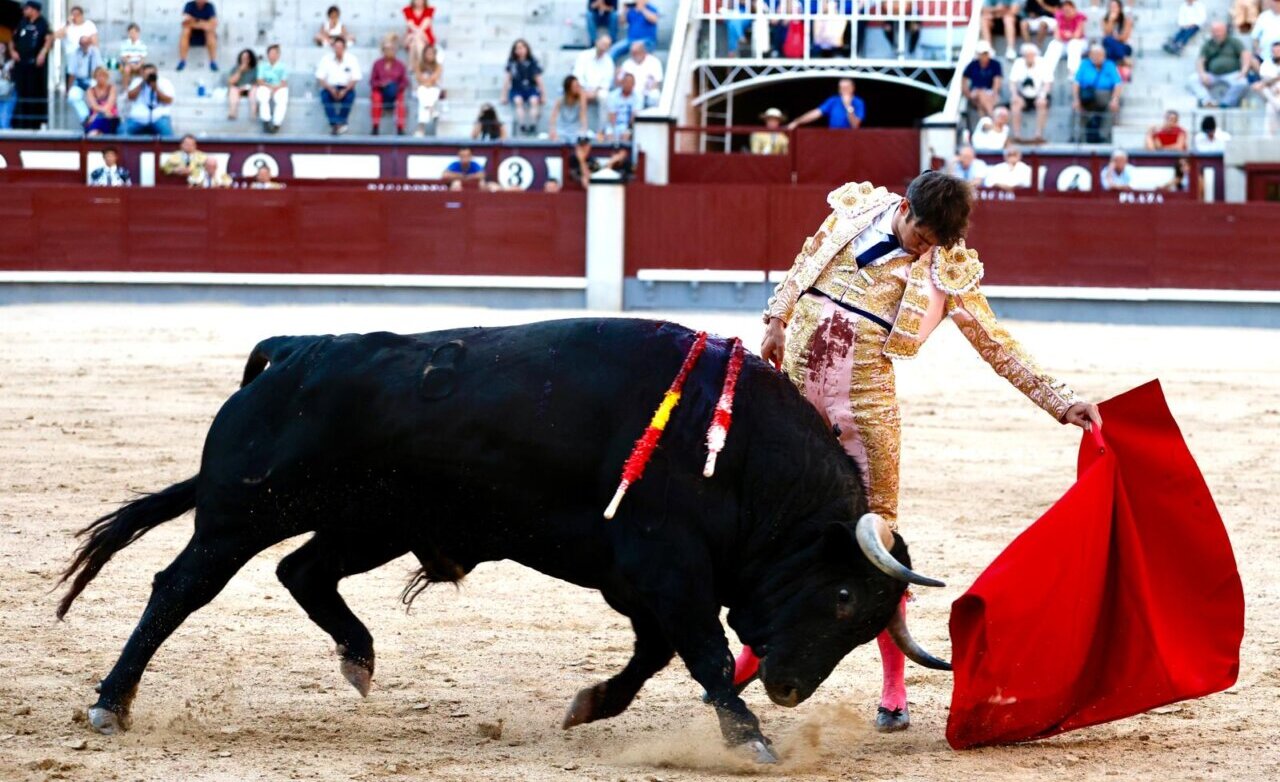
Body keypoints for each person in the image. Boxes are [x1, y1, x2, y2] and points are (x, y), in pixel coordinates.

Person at [751, 171, 1100, 733]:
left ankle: (893, 687)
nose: (924, 249)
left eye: (935, 242)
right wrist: (776, 320)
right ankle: (750, 657)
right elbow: (806, 260)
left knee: (878, 545)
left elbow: (995, 342)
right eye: (920, 236)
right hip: (796, 391)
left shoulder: (946, 265)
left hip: (865, 408)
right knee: (777, 528)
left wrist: (1060, 401)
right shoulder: (857, 211)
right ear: (905, 209)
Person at [1188, 21, 1250, 107]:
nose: (1217, 34)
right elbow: (1200, 61)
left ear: (1225, 31)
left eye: (1219, 31)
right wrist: (1202, 74)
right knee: (1193, 79)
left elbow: (1245, 55)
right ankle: (1207, 101)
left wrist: (1244, 71)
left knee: (1242, 83)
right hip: (1213, 75)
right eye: (1214, 31)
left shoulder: (1234, 42)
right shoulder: (1208, 44)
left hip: (1232, 74)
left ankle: (1226, 103)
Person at [12, 1, 52, 130]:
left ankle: (36, 123)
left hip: (35, 67)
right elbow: (12, 39)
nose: (24, 11)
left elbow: (49, 39)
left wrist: (43, 53)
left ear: (34, 10)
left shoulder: (43, 23)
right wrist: (13, 51)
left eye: (27, 8)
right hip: (21, 65)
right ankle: (20, 123)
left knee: (35, 92)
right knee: (20, 93)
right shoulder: (22, 22)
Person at [1073, 43, 1123, 142]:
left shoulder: (1110, 65)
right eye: (1094, 54)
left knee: (1112, 106)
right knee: (1077, 107)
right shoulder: (1084, 64)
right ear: (1090, 55)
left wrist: (1115, 99)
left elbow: (1118, 84)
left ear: (1104, 55)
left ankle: (1103, 136)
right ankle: (1078, 137)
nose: (1096, 57)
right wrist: (1076, 99)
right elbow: (1076, 83)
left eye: (1099, 54)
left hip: (1105, 96)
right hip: (1086, 97)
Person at [315, 37, 361, 135]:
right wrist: (331, 89)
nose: (338, 50)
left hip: (346, 87)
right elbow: (320, 77)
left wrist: (345, 90)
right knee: (324, 96)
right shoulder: (326, 59)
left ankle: (340, 122)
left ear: (344, 48)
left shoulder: (352, 59)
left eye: (340, 47)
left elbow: (355, 78)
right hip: (330, 87)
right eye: (336, 47)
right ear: (333, 47)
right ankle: (335, 123)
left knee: (350, 96)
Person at [1010, 44, 1052, 142]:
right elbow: (1012, 82)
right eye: (1027, 55)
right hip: (1023, 95)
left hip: (1039, 93)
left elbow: (1048, 83)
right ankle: (1017, 135)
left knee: (1042, 103)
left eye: (1031, 55)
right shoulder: (1018, 63)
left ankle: (1038, 134)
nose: (1029, 57)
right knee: (1015, 103)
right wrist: (1014, 95)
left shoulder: (1042, 63)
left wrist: (1042, 96)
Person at [503, 39, 545, 136]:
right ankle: (522, 125)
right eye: (517, 48)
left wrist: (543, 95)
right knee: (518, 101)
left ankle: (533, 124)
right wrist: (504, 95)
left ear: (527, 49)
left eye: (522, 48)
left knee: (534, 101)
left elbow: (539, 80)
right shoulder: (512, 63)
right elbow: (507, 80)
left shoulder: (533, 62)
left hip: (530, 88)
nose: (520, 50)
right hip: (517, 89)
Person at [788, 78, 865, 130]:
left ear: (852, 88)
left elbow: (855, 125)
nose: (844, 90)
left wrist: (848, 107)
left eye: (846, 88)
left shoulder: (858, 102)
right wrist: (797, 121)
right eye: (841, 88)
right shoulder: (833, 101)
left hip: (851, 138)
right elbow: (816, 113)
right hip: (834, 136)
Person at [574, 33, 616, 130]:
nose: (603, 47)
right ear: (597, 42)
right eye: (602, 43)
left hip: (598, 91)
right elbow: (577, 75)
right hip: (582, 88)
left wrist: (594, 92)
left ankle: (601, 130)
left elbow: (606, 82)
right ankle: (580, 129)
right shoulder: (583, 55)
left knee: (604, 96)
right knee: (579, 95)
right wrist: (583, 90)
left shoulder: (609, 61)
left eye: (606, 45)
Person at [370, 37, 409, 136]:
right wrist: (381, 84)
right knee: (376, 98)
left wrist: (396, 87)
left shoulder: (400, 65)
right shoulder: (377, 64)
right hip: (381, 90)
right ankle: (375, 126)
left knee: (400, 100)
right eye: (387, 49)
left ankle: (400, 128)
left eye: (392, 49)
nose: (389, 52)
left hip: (395, 90)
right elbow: (372, 81)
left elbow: (405, 81)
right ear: (383, 51)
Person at [125, 63, 175, 136]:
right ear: (142, 74)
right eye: (147, 74)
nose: (149, 76)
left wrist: (156, 88)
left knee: (167, 134)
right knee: (123, 131)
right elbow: (130, 97)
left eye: (152, 74)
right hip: (137, 118)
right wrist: (142, 83)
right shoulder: (137, 81)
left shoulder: (165, 82)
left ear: (156, 73)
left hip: (159, 117)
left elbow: (169, 101)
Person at [65, 35, 103, 126]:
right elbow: (72, 73)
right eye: (82, 44)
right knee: (72, 96)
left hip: (92, 79)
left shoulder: (95, 52)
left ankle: (96, 117)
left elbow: (99, 68)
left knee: (97, 95)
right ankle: (85, 116)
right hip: (79, 81)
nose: (84, 46)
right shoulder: (75, 53)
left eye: (86, 43)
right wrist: (68, 89)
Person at [1044, 0, 1087, 77]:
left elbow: (1077, 35)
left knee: (1073, 44)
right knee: (1054, 44)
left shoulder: (1080, 17)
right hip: (1063, 43)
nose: (1067, 12)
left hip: (1079, 43)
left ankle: (1073, 73)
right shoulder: (1059, 16)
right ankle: (1047, 75)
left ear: (1074, 9)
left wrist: (1067, 35)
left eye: (1068, 10)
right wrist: (1065, 35)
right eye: (1065, 10)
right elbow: (1056, 36)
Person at [962, 41, 1003, 119]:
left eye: (985, 53)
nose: (984, 56)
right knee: (980, 93)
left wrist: (994, 93)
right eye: (982, 54)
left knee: (980, 103)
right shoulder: (972, 65)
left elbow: (997, 81)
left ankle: (984, 122)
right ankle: (993, 117)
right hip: (975, 92)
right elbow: (964, 80)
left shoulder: (995, 64)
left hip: (989, 93)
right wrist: (967, 94)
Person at [618, 40, 663, 108]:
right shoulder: (627, 63)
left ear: (643, 51)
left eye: (635, 53)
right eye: (632, 53)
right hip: (630, 92)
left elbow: (656, 82)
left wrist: (644, 91)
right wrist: (617, 74)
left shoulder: (654, 62)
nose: (633, 55)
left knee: (655, 95)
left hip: (646, 93)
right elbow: (620, 81)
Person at [254, 44, 289, 133]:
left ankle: (277, 123)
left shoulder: (283, 66)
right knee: (262, 96)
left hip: (279, 87)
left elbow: (284, 82)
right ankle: (266, 120)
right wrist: (270, 87)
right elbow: (259, 80)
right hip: (266, 86)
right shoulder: (262, 66)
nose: (272, 55)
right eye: (270, 53)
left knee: (282, 100)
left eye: (274, 53)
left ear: (278, 55)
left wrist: (275, 88)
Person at [178, 0, 219, 72]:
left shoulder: (210, 6)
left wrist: (195, 21)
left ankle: (213, 62)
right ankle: (182, 61)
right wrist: (203, 23)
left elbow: (213, 24)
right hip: (191, 36)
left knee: (210, 33)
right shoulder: (189, 5)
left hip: (205, 36)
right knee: (185, 31)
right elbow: (185, 22)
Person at [604, 71, 644, 140]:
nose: (628, 85)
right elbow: (612, 116)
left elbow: (634, 117)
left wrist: (627, 129)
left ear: (634, 84)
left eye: (630, 83)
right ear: (622, 83)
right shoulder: (613, 96)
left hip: (629, 126)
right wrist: (615, 131)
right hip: (614, 125)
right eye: (626, 82)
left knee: (626, 134)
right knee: (609, 134)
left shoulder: (638, 97)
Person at [415, 44, 443, 137]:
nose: (429, 55)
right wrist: (426, 83)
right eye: (428, 53)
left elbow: (435, 78)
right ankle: (431, 109)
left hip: (434, 87)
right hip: (422, 87)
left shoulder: (438, 66)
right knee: (422, 91)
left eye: (431, 53)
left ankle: (421, 128)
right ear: (424, 54)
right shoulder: (419, 65)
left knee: (431, 92)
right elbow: (419, 78)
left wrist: (428, 82)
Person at [550, 75, 589, 141]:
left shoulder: (581, 99)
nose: (578, 88)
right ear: (568, 88)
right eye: (575, 86)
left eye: (578, 85)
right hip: (562, 130)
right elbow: (553, 116)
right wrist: (552, 130)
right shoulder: (560, 99)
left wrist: (584, 131)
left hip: (576, 130)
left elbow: (583, 116)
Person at [83, 66, 119, 136]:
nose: (101, 78)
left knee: (99, 124)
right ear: (95, 77)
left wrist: (97, 115)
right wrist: (99, 114)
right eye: (99, 76)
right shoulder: (90, 90)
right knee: (96, 126)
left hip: (109, 118)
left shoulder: (112, 88)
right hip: (96, 118)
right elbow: (94, 106)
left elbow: (109, 105)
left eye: (103, 75)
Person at [1254, 40, 1280, 134]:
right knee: (1261, 87)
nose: (1277, 53)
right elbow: (1266, 80)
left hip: (1275, 95)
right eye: (1275, 51)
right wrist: (1276, 79)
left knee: (1270, 107)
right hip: (1272, 92)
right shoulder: (1266, 64)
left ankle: (1268, 137)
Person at [403, 0, 436, 72]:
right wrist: (415, 35)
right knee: (415, 42)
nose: (419, 1)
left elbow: (425, 24)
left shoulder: (429, 10)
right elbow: (410, 24)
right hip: (411, 38)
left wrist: (416, 34)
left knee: (415, 42)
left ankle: (411, 66)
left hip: (426, 37)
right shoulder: (407, 10)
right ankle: (422, 66)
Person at [226, 48, 258, 120]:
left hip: (251, 90)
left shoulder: (255, 69)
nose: (245, 60)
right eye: (243, 58)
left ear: (251, 59)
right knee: (233, 89)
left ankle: (253, 114)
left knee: (254, 89)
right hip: (238, 90)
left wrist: (249, 87)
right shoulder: (236, 68)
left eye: (247, 58)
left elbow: (258, 83)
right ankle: (232, 113)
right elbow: (231, 82)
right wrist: (240, 71)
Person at [1101, 0, 1134, 66]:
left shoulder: (1127, 20)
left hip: (1123, 46)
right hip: (1110, 45)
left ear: (1120, 8)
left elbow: (1125, 38)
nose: (1113, 9)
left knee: (1110, 48)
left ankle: (1113, 64)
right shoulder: (1105, 20)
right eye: (1111, 7)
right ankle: (1123, 58)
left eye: (1115, 7)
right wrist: (1111, 20)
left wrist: (1117, 37)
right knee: (1108, 41)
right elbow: (1106, 34)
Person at [118, 24, 148, 88]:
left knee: (144, 71)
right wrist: (131, 64)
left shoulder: (142, 44)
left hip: (139, 63)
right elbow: (124, 57)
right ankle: (125, 89)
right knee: (126, 69)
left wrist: (138, 65)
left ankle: (141, 89)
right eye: (130, 33)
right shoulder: (125, 44)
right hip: (128, 63)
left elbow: (143, 58)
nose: (132, 35)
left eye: (134, 33)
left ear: (138, 33)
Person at [0, 42, 14, 130]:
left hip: (7, 94)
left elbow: (8, 77)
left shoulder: (11, 61)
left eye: (2, 46)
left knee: (4, 122)